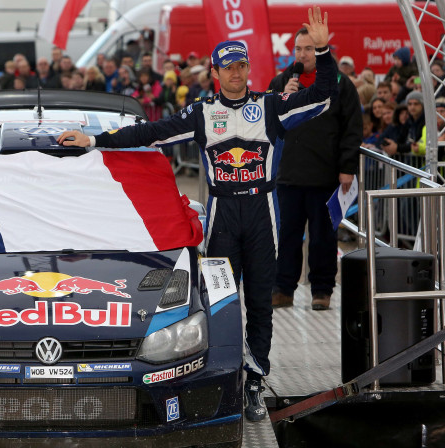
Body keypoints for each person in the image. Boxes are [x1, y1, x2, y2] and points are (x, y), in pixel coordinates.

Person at [58, 7, 337, 422]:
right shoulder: (202, 113)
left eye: (242, 65)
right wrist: (95, 139)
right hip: (223, 215)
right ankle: (220, 377)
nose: (237, 74)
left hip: (263, 214)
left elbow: (322, 97)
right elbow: (150, 132)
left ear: (248, 67)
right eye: (228, 68)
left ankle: (256, 381)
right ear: (215, 72)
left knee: (261, 303)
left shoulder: (272, 106)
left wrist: (325, 52)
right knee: (219, 303)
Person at [269, 27, 361, 311]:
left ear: (322, 49)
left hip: (325, 175)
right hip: (289, 174)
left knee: (323, 238)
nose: (301, 54)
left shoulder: (340, 83)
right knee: (287, 237)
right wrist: (281, 100)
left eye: (308, 48)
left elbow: (352, 128)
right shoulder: (282, 80)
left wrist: (347, 166)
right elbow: (266, 124)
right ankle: (284, 288)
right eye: (297, 48)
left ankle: (322, 290)